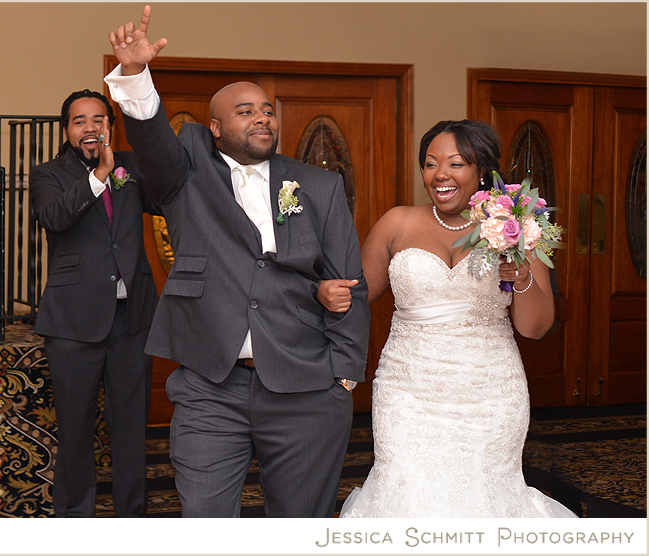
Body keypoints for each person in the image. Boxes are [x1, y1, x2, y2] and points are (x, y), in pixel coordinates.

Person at [104, 6, 370, 518]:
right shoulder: (187, 174)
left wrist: (344, 375)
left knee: (299, 526)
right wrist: (136, 75)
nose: (261, 117)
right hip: (210, 388)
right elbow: (152, 144)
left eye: (267, 109)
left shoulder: (317, 185)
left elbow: (348, 281)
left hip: (306, 389)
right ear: (215, 126)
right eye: (245, 111)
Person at [323, 119, 577, 517]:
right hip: (407, 390)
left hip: (492, 391)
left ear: (481, 171)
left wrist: (523, 277)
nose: (440, 174)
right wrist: (323, 290)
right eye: (430, 163)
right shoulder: (397, 222)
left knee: (485, 495)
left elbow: (535, 327)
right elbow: (354, 294)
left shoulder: (514, 228)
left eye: (456, 163)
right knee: (405, 492)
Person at [29, 89, 161, 518]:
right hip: (72, 323)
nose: (90, 128)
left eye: (98, 119)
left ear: (110, 124)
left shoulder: (132, 165)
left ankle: (131, 522)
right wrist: (99, 177)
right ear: (66, 129)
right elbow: (54, 217)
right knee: (75, 432)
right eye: (80, 121)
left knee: (131, 434)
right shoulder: (48, 173)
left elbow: (166, 198)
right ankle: (75, 523)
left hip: (132, 320)